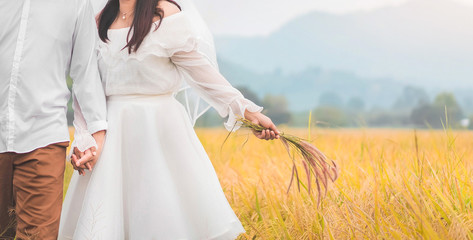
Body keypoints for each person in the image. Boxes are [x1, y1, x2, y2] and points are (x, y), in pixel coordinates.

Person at [58, 0, 280, 239]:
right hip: (111, 134)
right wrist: (84, 137)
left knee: (159, 211)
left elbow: (202, 74)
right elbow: (85, 85)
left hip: (159, 130)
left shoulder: (164, 14)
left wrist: (248, 111)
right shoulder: (99, 21)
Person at [0, 0, 108, 239]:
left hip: (43, 139)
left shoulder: (77, 4)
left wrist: (93, 133)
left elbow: (85, 71)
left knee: (37, 236)